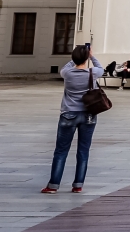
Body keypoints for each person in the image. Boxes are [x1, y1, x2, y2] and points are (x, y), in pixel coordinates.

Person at [42, 43, 104, 194]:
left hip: (68, 114)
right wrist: (91, 55)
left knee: (61, 151)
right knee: (83, 151)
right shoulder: (93, 73)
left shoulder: (67, 73)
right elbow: (100, 67)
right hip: (88, 114)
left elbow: (67, 66)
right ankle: (78, 185)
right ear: (86, 57)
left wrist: (76, 58)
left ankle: (53, 185)